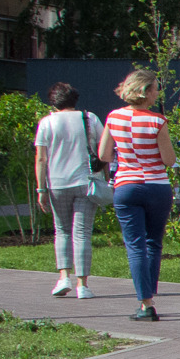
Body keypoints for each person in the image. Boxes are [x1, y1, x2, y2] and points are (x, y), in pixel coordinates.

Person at [98, 68, 177, 322]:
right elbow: (169, 159)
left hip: (126, 186)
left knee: (135, 246)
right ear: (145, 91)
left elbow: (103, 155)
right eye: (155, 88)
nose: (157, 93)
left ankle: (145, 302)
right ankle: (150, 295)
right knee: (153, 242)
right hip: (156, 186)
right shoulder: (157, 121)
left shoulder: (113, 118)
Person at [31, 81, 103, 298]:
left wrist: (41, 189)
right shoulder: (89, 119)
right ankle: (83, 285)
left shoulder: (46, 123)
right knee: (82, 234)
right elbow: (103, 152)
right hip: (86, 182)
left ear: (53, 101)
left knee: (61, 230)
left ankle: (63, 278)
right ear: (75, 98)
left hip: (57, 183)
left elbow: (41, 158)